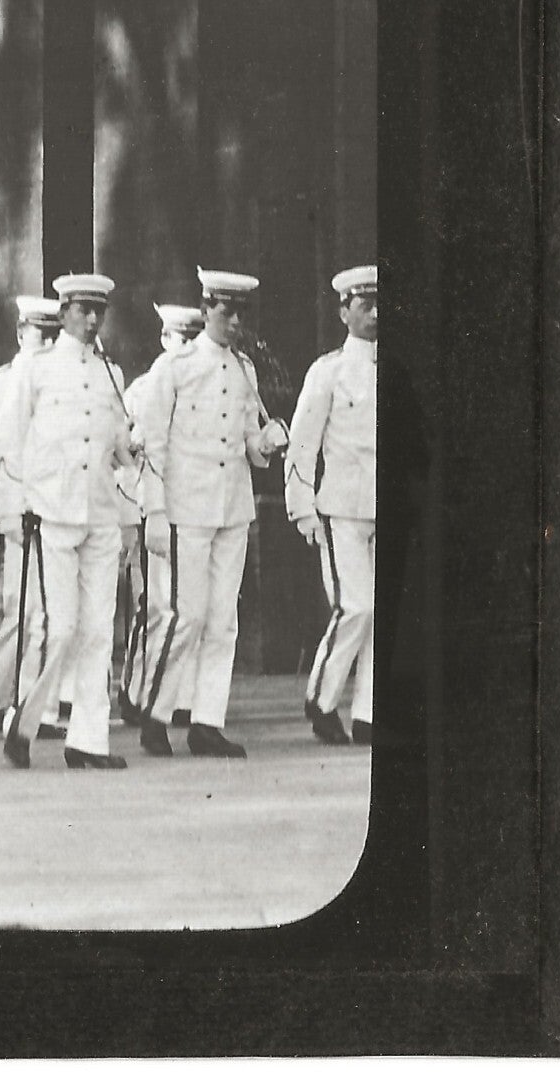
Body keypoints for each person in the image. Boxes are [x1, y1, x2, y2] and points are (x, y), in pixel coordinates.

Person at [133, 268, 288, 758]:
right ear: (205, 310)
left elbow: (249, 442)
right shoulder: (174, 368)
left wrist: (266, 444)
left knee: (224, 621)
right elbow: (153, 445)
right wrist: (156, 512)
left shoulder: (244, 369)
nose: (235, 322)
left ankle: (207, 722)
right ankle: (156, 713)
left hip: (232, 508)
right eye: (226, 311)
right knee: (186, 616)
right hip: (187, 508)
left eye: (242, 313)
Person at [0, 274, 134, 769]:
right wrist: (13, 509)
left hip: (100, 512)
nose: (92, 320)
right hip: (51, 513)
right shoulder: (37, 369)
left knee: (98, 631)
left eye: (99, 311)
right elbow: (8, 444)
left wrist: (133, 462)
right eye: (82, 310)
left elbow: (120, 447)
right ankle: (24, 723)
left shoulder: (110, 374)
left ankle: (89, 740)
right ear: (63, 312)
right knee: (61, 628)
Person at [287, 265, 377, 748]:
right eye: (366, 305)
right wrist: (302, 508)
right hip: (342, 507)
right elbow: (302, 444)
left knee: (384, 616)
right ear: (345, 312)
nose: (376, 314)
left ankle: (369, 714)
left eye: (381, 305)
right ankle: (321, 700)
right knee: (355, 607)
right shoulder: (329, 371)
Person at [0, 295, 59, 731]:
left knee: (46, 613)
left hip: (51, 512)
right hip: (9, 513)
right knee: (13, 610)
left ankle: (32, 706)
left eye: (54, 335)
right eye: (41, 334)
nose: (48, 343)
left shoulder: (61, 383)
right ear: (21, 334)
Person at [117, 304, 203, 725]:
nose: (187, 347)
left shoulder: (204, 385)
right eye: (180, 339)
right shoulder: (142, 389)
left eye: (193, 339)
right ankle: (134, 689)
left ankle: (179, 698)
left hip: (190, 508)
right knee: (152, 605)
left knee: (187, 609)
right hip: (147, 506)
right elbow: (125, 451)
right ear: (164, 339)